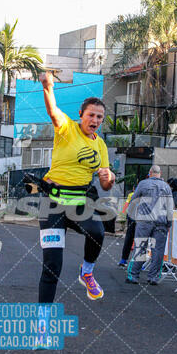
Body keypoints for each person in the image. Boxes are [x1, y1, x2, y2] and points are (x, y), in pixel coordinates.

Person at [38, 71, 115, 303]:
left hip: (80, 201)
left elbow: (105, 185)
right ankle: (43, 321)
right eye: (91, 115)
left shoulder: (100, 145)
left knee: (97, 232)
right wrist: (47, 86)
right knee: (52, 266)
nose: (95, 120)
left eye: (100, 117)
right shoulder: (66, 129)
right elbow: (52, 111)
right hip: (53, 203)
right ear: (81, 115)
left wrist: (108, 177)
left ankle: (87, 271)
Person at [126, 165, 173, 286]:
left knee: (140, 247)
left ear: (150, 172)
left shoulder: (143, 184)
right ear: (160, 173)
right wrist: (169, 223)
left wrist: (133, 217)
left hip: (144, 221)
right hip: (161, 222)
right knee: (158, 251)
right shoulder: (166, 187)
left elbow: (133, 201)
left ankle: (134, 276)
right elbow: (170, 207)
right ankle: (153, 277)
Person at [118, 187, 136, 267]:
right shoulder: (146, 194)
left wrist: (123, 214)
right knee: (141, 240)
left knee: (129, 238)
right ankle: (138, 264)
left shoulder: (131, 195)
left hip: (132, 218)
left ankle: (123, 260)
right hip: (141, 219)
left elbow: (126, 204)